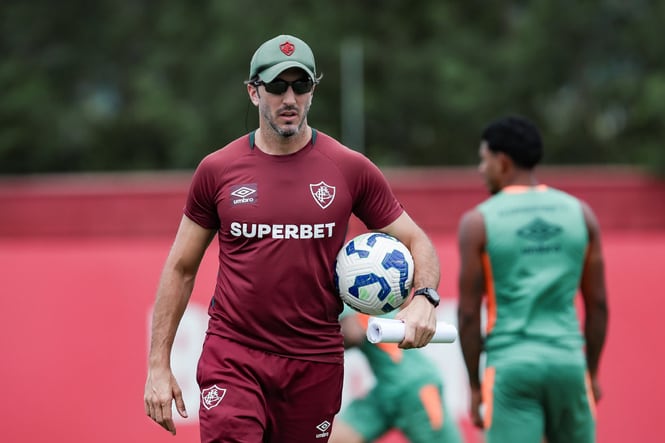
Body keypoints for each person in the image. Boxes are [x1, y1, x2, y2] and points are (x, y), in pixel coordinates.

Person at [143, 34, 442, 443]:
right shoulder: (218, 170)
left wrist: (425, 298)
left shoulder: (349, 168)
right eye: (276, 86)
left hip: (314, 363)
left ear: (312, 91)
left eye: (301, 86)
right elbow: (180, 268)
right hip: (234, 356)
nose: (289, 98)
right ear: (254, 92)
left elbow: (416, 240)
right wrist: (158, 365)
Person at [456, 115, 609, 443]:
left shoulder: (478, 222)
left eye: (484, 160)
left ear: (503, 162)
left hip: (512, 368)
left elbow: (468, 315)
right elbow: (598, 304)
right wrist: (591, 372)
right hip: (568, 364)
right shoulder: (580, 214)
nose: (481, 169)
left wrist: (474, 385)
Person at [330, 307, 462, 443]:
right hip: (386, 388)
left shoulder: (343, 297)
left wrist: (319, 343)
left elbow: (353, 333)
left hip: (415, 387)